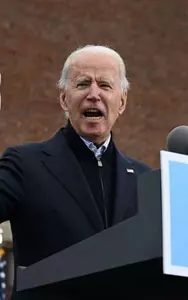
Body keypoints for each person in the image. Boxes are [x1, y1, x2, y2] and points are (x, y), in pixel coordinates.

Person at [0, 45, 152, 299]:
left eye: (105, 85)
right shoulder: (24, 165)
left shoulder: (145, 180)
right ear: (64, 99)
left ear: (122, 102)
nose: (94, 94)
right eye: (83, 84)